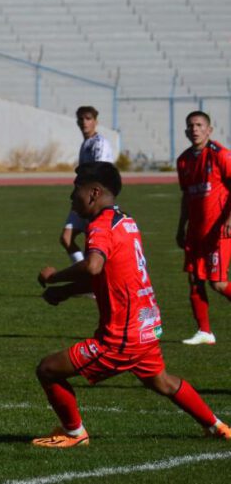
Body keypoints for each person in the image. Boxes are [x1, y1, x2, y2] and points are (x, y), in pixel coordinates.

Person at [33, 162, 230, 448]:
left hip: (122, 336)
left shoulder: (100, 225)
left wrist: (54, 277)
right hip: (145, 324)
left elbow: (92, 266)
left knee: (47, 369)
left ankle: (74, 434)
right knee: (162, 382)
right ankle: (218, 426)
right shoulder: (125, 221)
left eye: (75, 189)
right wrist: (63, 293)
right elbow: (106, 276)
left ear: (93, 192)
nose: (71, 197)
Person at [176, 111, 231, 345]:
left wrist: (230, 219)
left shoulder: (221, 155)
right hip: (195, 232)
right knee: (194, 280)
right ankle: (205, 332)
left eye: (199, 125)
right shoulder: (184, 160)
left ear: (209, 130)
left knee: (217, 282)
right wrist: (181, 226)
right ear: (186, 131)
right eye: (191, 125)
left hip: (218, 231)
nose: (195, 129)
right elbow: (187, 196)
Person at [60, 106, 114, 263]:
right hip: (81, 198)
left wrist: (93, 200)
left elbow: (101, 174)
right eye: (81, 119)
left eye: (88, 118)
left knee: (94, 245)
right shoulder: (86, 144)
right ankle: (84, 273)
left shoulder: (100, 144)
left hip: (94, 200)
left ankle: (95, 277)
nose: (84, 122)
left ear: (96, 121)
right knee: (66, 238)